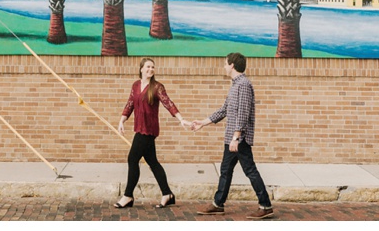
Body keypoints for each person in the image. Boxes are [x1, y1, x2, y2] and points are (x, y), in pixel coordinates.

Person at [192, 52, 274, 219]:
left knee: (250, 170)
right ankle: (218, 204)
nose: (223, 66)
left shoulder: (243, 85)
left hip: (239, 139)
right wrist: (202, 122)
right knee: (226, 170)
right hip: (231, 138)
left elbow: (243, 113)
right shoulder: (235, 85)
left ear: (232, 65)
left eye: (225, 63)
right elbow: (224, 110)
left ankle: (265, 205)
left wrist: (236, 137)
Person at [114, 57, 190, 209]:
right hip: (139, 127)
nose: (150, 69)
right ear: (141, 68)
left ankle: (128, 196)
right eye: (148, 67)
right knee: (153, 162)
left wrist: (181, 119)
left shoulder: (157, 87)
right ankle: (167, 194)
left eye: (152, 67)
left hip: (148, 130)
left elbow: (168, 103)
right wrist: (122, 120)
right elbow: (130, 104)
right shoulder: (136, 85)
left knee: (132, 159)